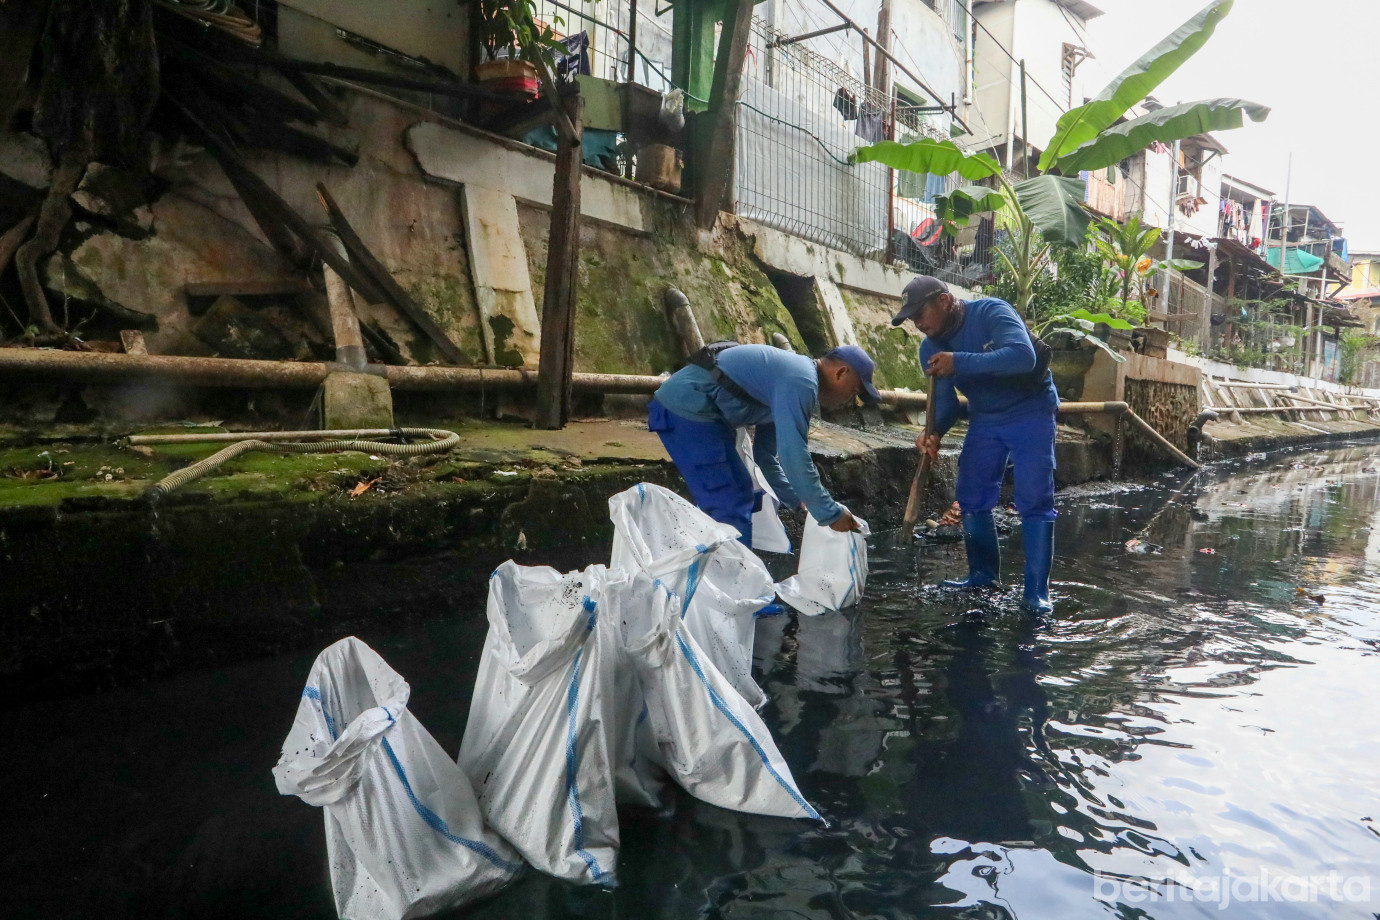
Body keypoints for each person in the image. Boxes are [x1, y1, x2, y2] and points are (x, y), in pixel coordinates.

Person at [893, 276, 1059, 614]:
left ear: (944, 301)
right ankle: (983, 576)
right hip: (986, 417)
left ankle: (1036, 593)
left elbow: (1023, 356)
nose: (918, 323)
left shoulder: (991, 312)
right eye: (912, 318)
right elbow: (946, 404)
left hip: (1031, 409)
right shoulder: (931, 349)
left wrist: (960, 360)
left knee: (1034, 497)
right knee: (971, 494)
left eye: (920, 313)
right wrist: (933, 432)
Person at [648, 342, 880, 545]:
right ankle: (732, 578)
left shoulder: (793, 381)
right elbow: (794, 456)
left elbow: (766, 457)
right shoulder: (801, 381)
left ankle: (726, 573)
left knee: (735, 495)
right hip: (685, 408)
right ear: (841, 373)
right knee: (731, 499)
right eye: (854, 392)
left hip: (699, 413)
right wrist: (828, 512)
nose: (849, 401)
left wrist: (800, 501)